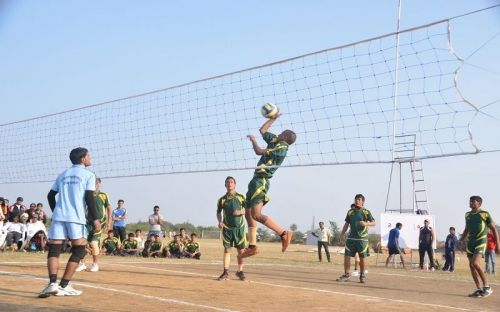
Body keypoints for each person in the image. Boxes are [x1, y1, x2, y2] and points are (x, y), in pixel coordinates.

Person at [38, 147, 99, 298]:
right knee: (79, 249)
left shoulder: (63, 174)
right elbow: (89, 198)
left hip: (59, 217)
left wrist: (56, 211)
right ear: (83, 159)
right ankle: (64, 286)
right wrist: (96, 218)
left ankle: (52, 284)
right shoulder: (89, 175)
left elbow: (50, 195)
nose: (90, 158)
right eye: (88, 156)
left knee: (54, 249)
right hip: (76, 218)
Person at [240, 112, 297, 258]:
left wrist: (253, 140)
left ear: (285, 137)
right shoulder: (274, 141)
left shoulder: (281, 147)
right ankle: (252, 246)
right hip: (255, 180)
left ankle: (284, 233)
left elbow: (259, 151)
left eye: (282, 133)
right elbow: (263, 130)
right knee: (248, 213)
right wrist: (274, 118)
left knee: (257, 215)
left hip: (261, 180)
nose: (278, 133)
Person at [460, 196, 499, 297]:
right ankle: (479, 289)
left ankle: (487, 287)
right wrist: (460, 241)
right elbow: (466, 229)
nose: (471, 202)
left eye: (473, 201)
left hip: (481, 241)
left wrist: (498, 245)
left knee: (475, 263)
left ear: (479, 204)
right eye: (470, 201)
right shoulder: (467, 215)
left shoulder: (484, 214)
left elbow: (494, 229)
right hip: (470, 243)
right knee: (471, 266)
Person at [336, 194, 376, 284]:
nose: (357, 201)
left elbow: (374, 223)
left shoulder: (366, 212)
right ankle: (346, 274)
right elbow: (346, 224)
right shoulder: (350, 212)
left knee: (362, 257)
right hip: (351, 238)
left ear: (363, 201)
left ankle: (362, 275)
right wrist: (341, 234)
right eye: (356, 199)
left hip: (362, 239)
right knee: (347, 256)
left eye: (359, 199)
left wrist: (366, 224)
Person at [76, 177, 112, 273]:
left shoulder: (103, 195)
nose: (95, 184)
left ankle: (95, 264)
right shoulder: (86, 194)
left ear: (100, 184)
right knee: (82, 242)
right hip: (88, 222)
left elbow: (109, 209)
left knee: (94, 243)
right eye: (94, 183)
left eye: (97, 183)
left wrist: (109, 222)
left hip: (100, 222)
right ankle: (82, 264)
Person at [216, 176, 247, 281]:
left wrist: (241, 212)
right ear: (225, 185)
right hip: (227, 228)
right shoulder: (222, 200)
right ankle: (225, 272)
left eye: (231, 182)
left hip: (239, 228)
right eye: (227, 182)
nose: (229, 184)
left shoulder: (241, 197)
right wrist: (219, 221)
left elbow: (248, 209)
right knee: (227, 250)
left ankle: (240, 271)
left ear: (235, 184)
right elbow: (218, 212)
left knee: (241, 251)